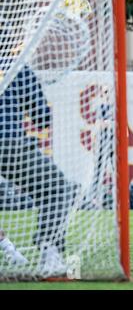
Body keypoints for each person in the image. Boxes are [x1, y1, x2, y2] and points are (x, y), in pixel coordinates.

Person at [0, 65, 78, 274]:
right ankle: (50, 252)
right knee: (57, 187)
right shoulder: (15, 64)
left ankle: (8, 249)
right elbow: (41, 117)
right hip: (8, 143)